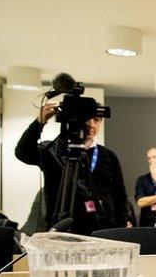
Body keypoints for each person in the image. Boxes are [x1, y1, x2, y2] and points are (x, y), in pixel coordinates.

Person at [15, 101, 127, 236]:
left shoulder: (108, 156)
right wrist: (39, 122)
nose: (91, 124)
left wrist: (120, 231)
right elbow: (23, 152)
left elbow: (119, 196)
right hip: (64, 227)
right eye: (87, 119)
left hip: (102, 228)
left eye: (96, 120)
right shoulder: (53, 152)